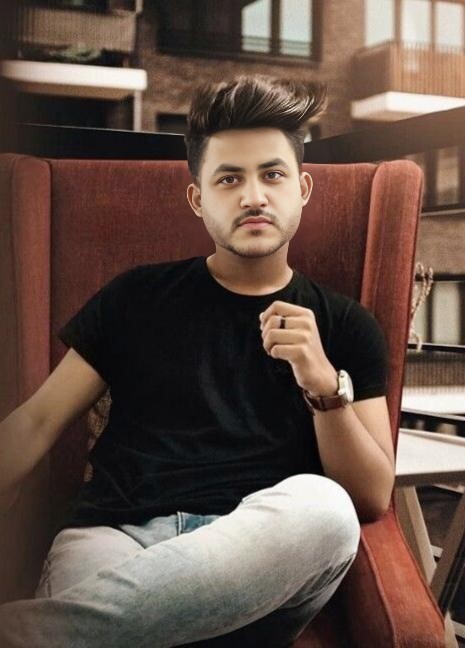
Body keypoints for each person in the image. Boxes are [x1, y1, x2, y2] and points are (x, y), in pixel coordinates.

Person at [0, 74, 395, 648]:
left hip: (254, 565)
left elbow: (369, 498)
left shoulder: (346, 325)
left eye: (273, 174)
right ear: (197, 198)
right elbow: (36, 421)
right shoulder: (135, 297)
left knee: (326, 509)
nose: (253, 196)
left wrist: (323, 386)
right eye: (229, 179)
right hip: (117, 537)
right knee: (104, 600)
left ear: (303, 188)